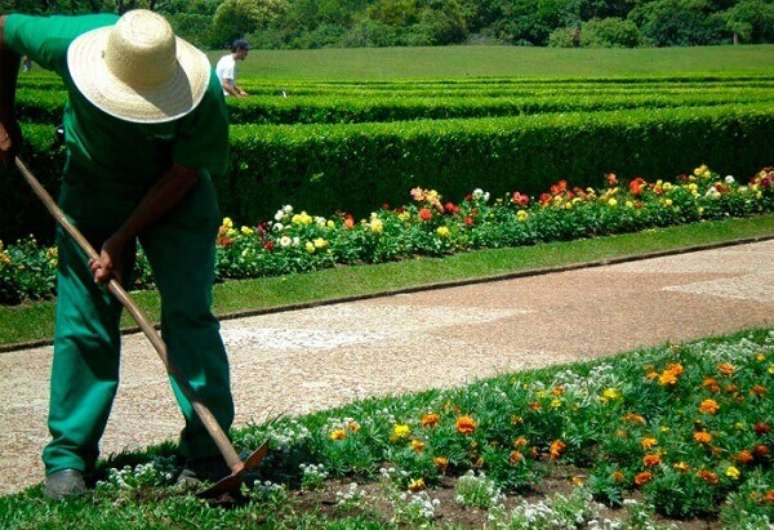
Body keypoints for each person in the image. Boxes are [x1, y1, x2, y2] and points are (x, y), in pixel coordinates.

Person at [0, 10, 235, 500]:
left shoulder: (203, 93)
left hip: (176, 195)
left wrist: (121, 238)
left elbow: (186, 172)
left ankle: (209, 451)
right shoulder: (66, 41)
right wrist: (2, 112)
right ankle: (67, 458)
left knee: (190, 317)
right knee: (84, 323)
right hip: (92, 189)